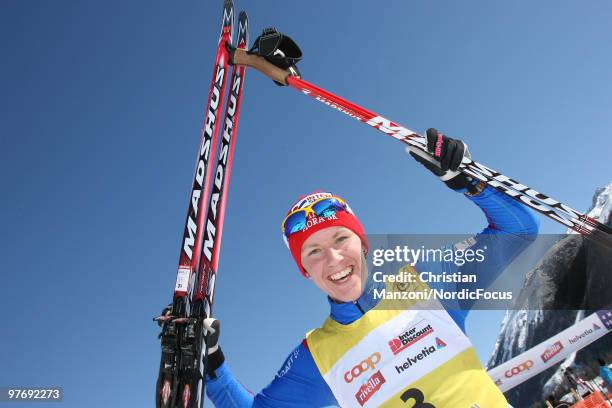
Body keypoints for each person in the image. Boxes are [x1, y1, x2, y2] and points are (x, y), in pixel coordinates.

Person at [202, 130, 539, 407]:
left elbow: (518, 231)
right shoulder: (317, 356)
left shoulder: (426, 284)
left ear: (363, 243)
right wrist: (213, 363)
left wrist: (466, 179)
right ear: (304, 270)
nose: (333, 259)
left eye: (340, 239)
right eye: (313, 251)